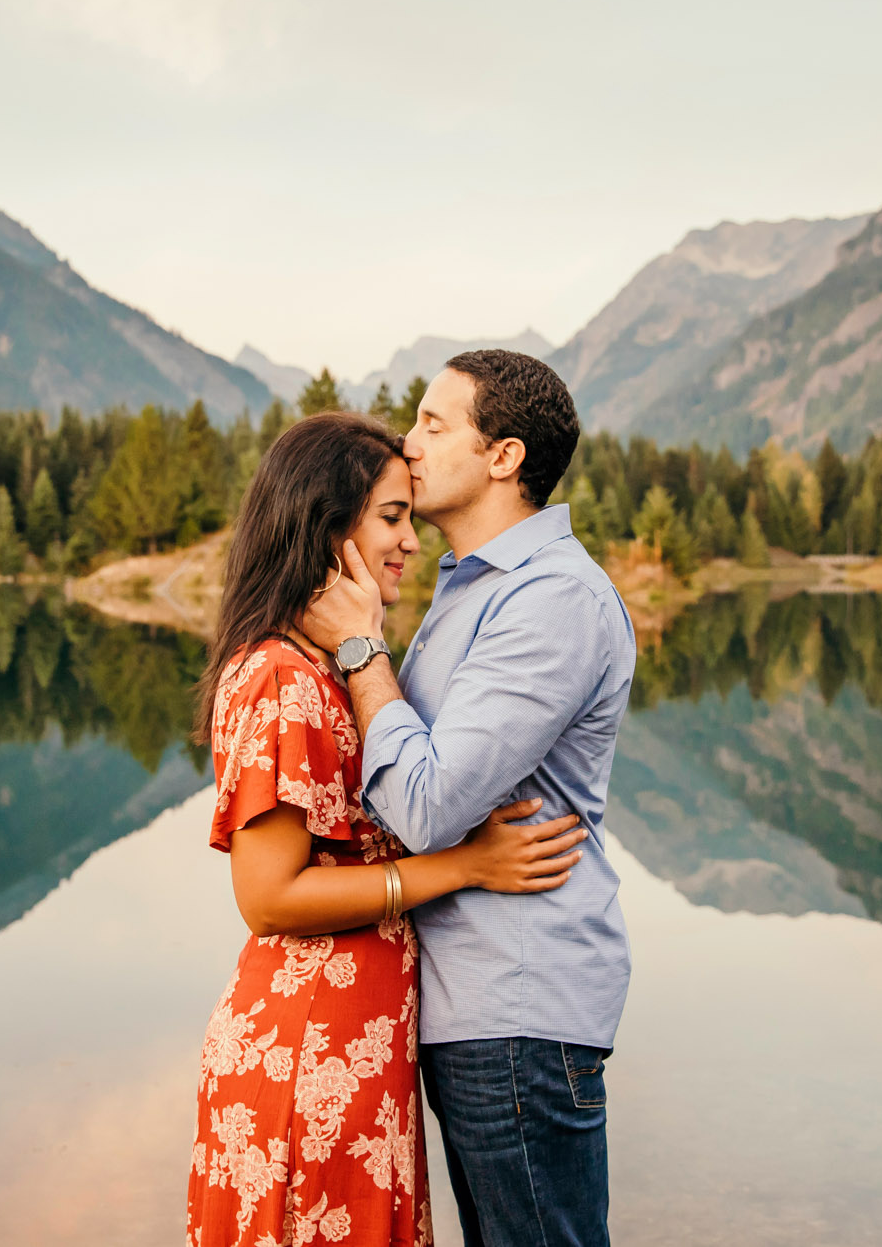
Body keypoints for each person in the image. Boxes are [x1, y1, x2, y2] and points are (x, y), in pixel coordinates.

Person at [187, 410, 589, 1247]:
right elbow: (266, 897)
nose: (410, 541)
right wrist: (467, 865)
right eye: (391, 517)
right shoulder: (280, 678)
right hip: (307, 1054)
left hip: (355, 1050)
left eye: (411, 514)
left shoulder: (329, 671)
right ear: (326, 530)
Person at [302, 351, 636, 1247]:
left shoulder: (552, 599)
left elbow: (425, 802)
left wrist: (361, 652)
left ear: (504, 456)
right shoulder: (474, 588)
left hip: (519, 1005)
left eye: (433, 424)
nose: (408, 445)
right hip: (477, 1007)